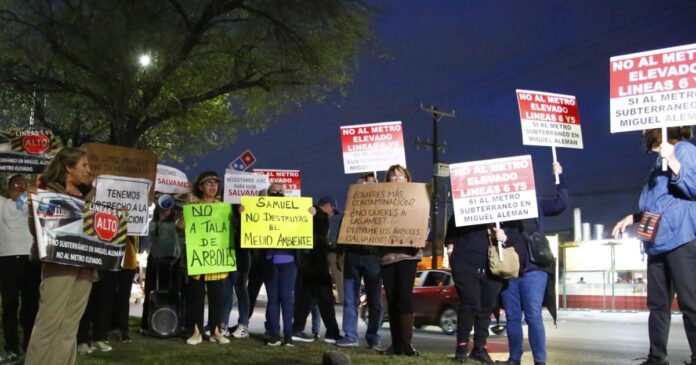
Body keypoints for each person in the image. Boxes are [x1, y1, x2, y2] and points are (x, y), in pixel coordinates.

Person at [613, 126, 696, 365]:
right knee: (658, 306)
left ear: (658, 130)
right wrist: (633, 217)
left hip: (681, 238)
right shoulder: (657, 162)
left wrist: (672, 159)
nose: (642, 135)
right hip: (657, 243)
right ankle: (656, 358)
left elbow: (693, 188)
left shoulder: (684, 150)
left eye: (645, 131)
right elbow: (657, 203)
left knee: (691, 304)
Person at [25, 147, 96, 365]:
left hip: (85, 267)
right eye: (84, 165)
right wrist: (33, 207)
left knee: (69, 326)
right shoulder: (45, 192)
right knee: (49, 322)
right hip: (58, 265)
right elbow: (35, 229)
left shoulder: (91, 195)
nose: (89, 170)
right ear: (68, 167)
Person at [498, 162, 568, 365]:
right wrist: (499, 235)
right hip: (509, 270)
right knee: (512, 317)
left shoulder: (534, 202)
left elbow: (560, 204)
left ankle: (540, 360)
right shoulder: (498, 209)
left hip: (534, 270)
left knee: (533, 316)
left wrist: (560, 178)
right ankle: (514, 359)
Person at [446, 217, 516, 364]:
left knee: (486, 308)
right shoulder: (464, 204)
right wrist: (451, 250)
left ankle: (479, 349)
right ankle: (461, 349)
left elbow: (512, 234)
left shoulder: (501, 211)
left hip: (492, 264)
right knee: (468, 305)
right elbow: (451, 231)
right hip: (465, 262)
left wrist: (504, 237)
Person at [378, 164, 422, 356]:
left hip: (407, 254)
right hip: (387, 256)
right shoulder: (381, 201)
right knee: (393, 298)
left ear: (408, 179)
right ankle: (395, 344)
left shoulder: (417, 198)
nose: (396, 179)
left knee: (404, 296)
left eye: (400, 175)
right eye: (392, 176)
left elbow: (423, 221)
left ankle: (406, 343)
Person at [336, 172, 383, 349]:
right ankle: (350, 336)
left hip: (373, 257)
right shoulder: (351, 207)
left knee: (375, 301)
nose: (368, 183)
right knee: (350, 298)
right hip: (353, 256)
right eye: (365, 180)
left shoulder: (384, 206)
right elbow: (342, 230)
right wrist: (341, 252)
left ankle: (373, 337)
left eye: (372, 180)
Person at [185, 171, 230, 345]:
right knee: (196, 297)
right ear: (201, 187)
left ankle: (216, 331)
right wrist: (180, 224)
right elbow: (183, 229)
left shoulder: (223, 206)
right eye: (209, 183)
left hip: (217, 260)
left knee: (216, 298)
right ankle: (196, 332)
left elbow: (229, 230)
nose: (213, 186)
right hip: (198, 259)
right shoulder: (193, 205)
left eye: (215, 183)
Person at [0, 174, 41, 363]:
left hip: (30, 259)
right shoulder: (2, 204)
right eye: (16, 187)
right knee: (9, 305)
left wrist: (34, 194)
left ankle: (29, 347)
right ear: (9, 188)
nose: (20, 190)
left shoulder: (33, 205)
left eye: (23, 187)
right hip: (8, 259)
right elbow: (16, 207)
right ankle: (11, 348)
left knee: (30, 305)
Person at [291, 195, 342, 344]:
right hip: (318, 266)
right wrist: (331, 247)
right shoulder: (321, 218)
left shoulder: (308, 214)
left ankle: (297, 329)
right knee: (326, 301)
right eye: (332, 209)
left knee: (305, 301)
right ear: (326, 206)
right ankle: (332, 333)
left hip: (305, 266)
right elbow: (319, 241)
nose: (332, 214)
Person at [262, 183, 301, 346]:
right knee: (273, 300)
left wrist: (310, 214)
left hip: (289, 263)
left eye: (280, 191)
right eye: (273, 191)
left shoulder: (293, 211)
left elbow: (303, 225)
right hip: (270, 261)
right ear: (268, 194)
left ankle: (288, 336)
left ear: (285, 194)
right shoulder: (262, 212)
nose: (277, 193)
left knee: (286, 299)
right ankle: (275, 335)